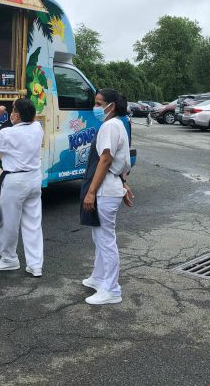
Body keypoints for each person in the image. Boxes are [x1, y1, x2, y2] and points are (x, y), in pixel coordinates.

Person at [0, 98, 45, 277]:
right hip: (34, 178)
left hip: (15, 181)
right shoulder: (37, 128)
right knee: (33, 223)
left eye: (13, 110)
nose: (11, 113)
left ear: (17, 115)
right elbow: (30, 119)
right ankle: (35, 264)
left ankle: (9, 259)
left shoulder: (9, 133)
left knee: (8, 222)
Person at [81, 88, 134, 305]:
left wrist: (91, 192)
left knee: (106, 239)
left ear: (111, 106)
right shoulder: (118, 124)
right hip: (110, 185)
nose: (95, 107)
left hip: (104, 189)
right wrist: (124, 184)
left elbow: (105, 160)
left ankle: (111, 289)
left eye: (98, 103)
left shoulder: (110, 125)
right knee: (99, 237)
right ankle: (99, 277)